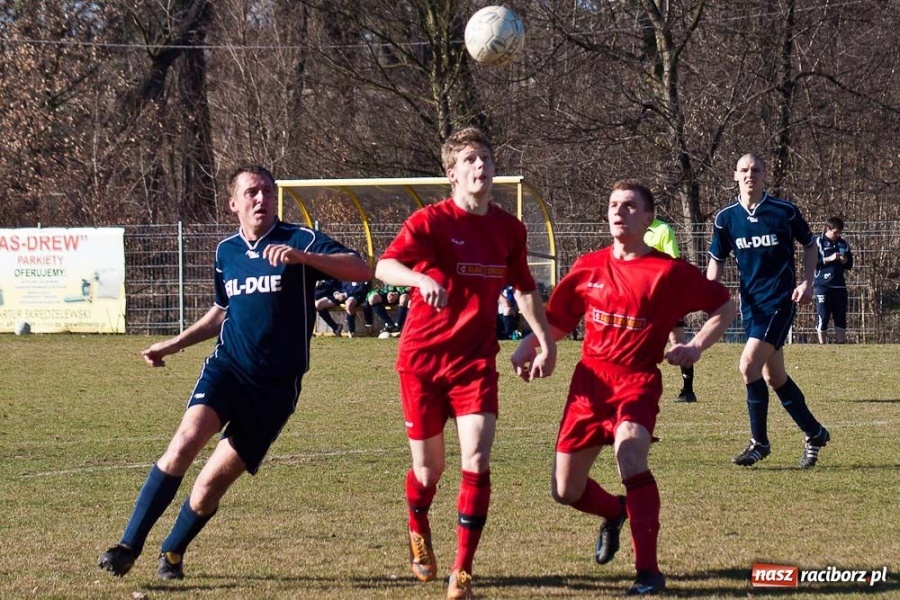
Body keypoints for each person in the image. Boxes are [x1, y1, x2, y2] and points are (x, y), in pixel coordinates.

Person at [97, 165, 371, 580]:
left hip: (276, 389)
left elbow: (361, 269)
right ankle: (127, 546)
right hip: (228, 370)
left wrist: (302, 258)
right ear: (234, 204)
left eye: (267, 192)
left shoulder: (301, 240)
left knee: (209, 486)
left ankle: (172, 551)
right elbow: (220, 313)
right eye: (252, 193)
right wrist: (171, 345)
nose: (261, 199)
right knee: (183, 443)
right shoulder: (226, 252)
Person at [511, 179, 735, 597]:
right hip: (589, 384)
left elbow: (724, 305)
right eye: (614, 204)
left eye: (630, 206)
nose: (619, 211)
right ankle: (615, 512)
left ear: (649, 218)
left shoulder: (668, 273)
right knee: (565, 491)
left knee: (630, 454)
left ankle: (648, 573)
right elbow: (557, 321)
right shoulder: (588, 266)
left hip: (636, 381)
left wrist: (695, 346)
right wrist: (530, 347)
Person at [374, 127, 557, 600]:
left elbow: (525, 290)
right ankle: (417, 523)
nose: (481, 167)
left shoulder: (508, 229)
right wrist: (418, 279)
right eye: (471, 160)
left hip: (475, 363)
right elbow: (383, 267)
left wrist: (545, 341)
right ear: (451, 172)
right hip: (422, 362)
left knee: (477, 460)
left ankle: (462, 573)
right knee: (429, 471)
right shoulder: (431, 222)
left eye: (487, 159)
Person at [707, 153, 831, 469]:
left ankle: (759, 442)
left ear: (765, 175)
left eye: (756, 170)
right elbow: (716, 262)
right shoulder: (726, 218)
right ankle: (814, 432)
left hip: (780, 301)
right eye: (744, 170)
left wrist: (807, 282)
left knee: (747, 364)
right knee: (773, 376)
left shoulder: (784, 212)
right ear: (735, 175)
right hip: (752, 306)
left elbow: (810, 243)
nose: (750, 174)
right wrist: (708, 296)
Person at [644, 218, 698, 403]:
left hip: (665, 295)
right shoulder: (632, 230)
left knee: (677, 340)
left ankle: (688, 390)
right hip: (642, 295)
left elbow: (672, 262)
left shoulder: (663, 230)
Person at [814, 217, 853, 344]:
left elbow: (849, 264)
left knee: (840, 315)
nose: (837, 235)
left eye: (839, 232)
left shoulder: (843, 244)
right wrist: (829, 258)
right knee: (823, 315)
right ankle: (822, 344)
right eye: (835, 232)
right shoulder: (818, 242)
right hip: (823, 285)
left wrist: (844, 261)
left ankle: (840, 342)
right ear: (828, 229)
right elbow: (813, 261)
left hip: (839, 286)